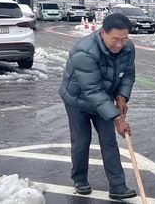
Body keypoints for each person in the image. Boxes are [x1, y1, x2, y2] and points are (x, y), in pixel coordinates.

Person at [58, 13, 137, 200]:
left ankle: (118, 186)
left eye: (124, 39)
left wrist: (122, 96)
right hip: (77, 99)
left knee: (109, 141)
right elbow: (92, 90)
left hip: (103, 98)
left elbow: (128, 74)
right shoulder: (84, 52)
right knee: (81, 140)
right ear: (103, 33)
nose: (120, 44)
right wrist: (117, 118)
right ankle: (80, 179)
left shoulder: (128, 47)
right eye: (115, 40)